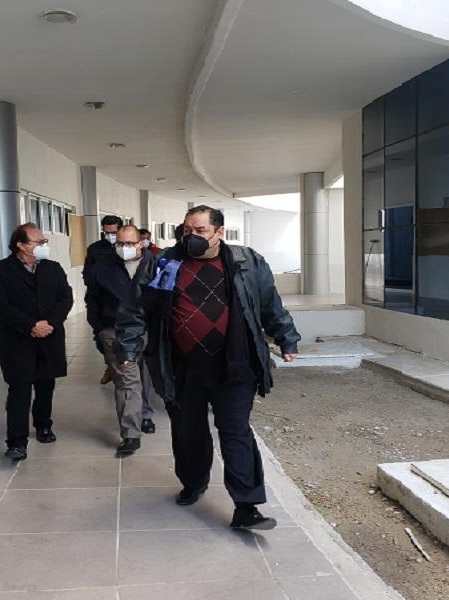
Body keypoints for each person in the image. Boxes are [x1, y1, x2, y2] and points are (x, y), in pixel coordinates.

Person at [114, 205, 300, 530]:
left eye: (200, 231)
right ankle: (194, 482)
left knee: (236, 431)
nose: (192, 237)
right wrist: (128, 346)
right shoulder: (163, 263)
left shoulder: (247, 262)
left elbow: (270, 303)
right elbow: (135, 309)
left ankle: (247, 505)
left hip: (234, 367)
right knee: (189, 433)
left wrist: (287, 338)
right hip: (182, 368)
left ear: (219, 233)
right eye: (187, 230)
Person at [0, 223, 74, 461]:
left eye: (44, 242)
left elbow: (65, 298)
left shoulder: (53, 269)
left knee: (46, 385)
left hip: (50, 337)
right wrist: (30, 325)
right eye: (38, 242)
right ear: (21, 245)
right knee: (19, 390)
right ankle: (16, 441)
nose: (44, 246)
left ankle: (43, 425)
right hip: (18, 339)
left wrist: (50, 323)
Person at [85, 225, 158, 456]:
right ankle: (130, 434)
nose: (123, 248)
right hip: (115, 330)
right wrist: (99, 330)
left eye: (129, 244)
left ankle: (144, 414)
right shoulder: (103, 268)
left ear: (140, 243)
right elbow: (93, 301)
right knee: (127, 382)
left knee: (147, 374)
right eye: (119, 244)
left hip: (149, 329)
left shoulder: (157, 264)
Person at [83, 215, 124, 385]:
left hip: (122, 300)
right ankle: (110, 365)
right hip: (100, 299)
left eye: (114, 232)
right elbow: (88, 272)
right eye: (107, 232)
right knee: (101, 337)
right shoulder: (95, 249)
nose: (110, 236)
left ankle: (120, 369)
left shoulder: (127, 248)